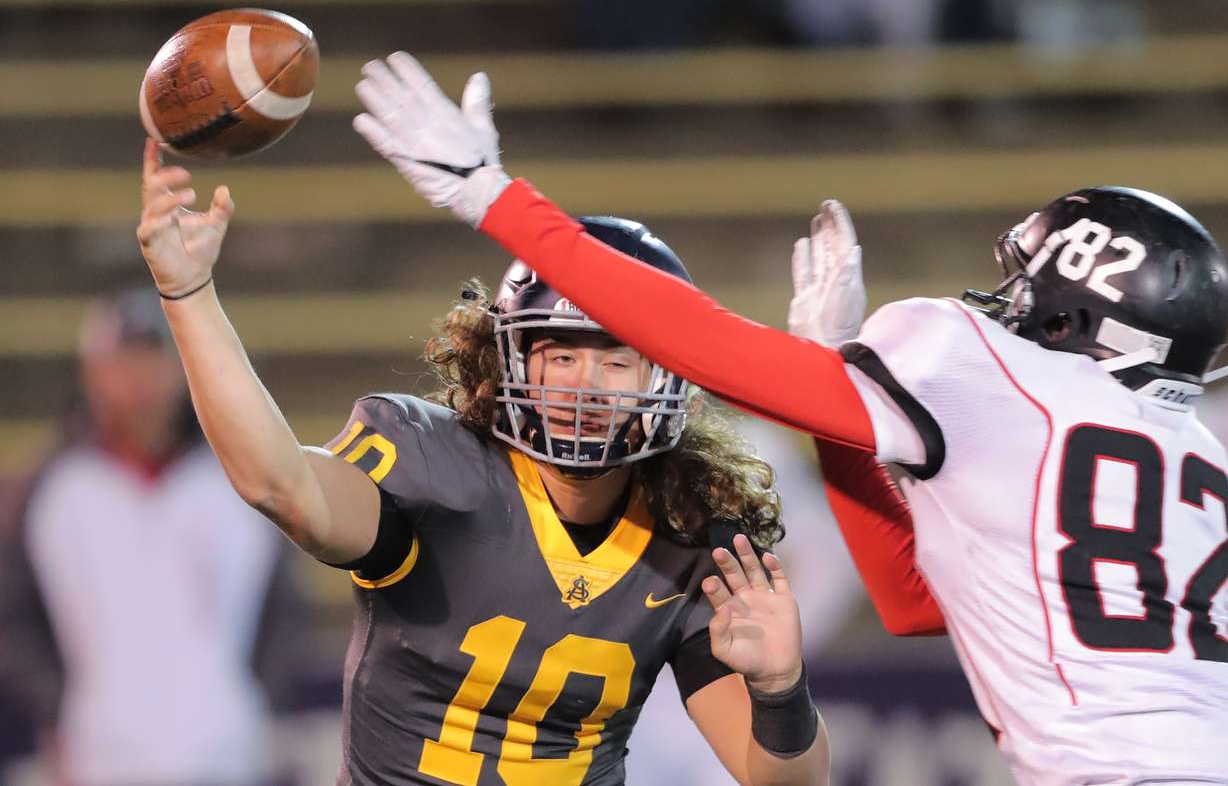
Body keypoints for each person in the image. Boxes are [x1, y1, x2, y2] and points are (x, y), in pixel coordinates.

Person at [350, 50, 1228, 785]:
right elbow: (917, 603)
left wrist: (495, 199)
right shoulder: (1199, 458)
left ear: (1071, 322)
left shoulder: (986, 365)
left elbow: (712, 351)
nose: (1006, 304)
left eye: (1026, 289)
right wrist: (848, 404)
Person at [135, 137, 831, 786]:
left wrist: (780, 692)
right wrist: (189, 295)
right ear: (505, 360)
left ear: (667, 377)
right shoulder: (433, 467)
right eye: (559, 354)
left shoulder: (688, 532)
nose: (583, 382)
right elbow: (280, 485)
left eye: (616, 359)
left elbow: (783, 779)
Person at [0, 289, 305, 786]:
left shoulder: (235, 483)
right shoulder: (52, 490)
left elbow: (284, 615)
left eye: (153, 361)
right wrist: (57, 710)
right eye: (123, 363)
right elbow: (15, 619)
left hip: (224, 752)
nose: (138, 383)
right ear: (91, 373)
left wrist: (250, 700)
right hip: (97, 755)